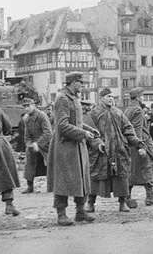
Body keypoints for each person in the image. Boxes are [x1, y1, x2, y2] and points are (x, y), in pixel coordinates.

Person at [46, 72, 101, 226]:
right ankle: (61, 214)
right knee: (63, 180)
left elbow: (76, 122)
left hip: (77, 145)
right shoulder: (62, 99)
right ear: (72, 83)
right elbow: (62, 126)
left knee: (81, 179)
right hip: (64, 147)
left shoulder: (74, 98)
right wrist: (83, 133)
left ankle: (80, 211)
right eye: (80, 83)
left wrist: (89, 129)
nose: (83, 85)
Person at [85, 88, 145, 213]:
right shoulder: (94, 113)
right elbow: (90, 133)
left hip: (119, 151)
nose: (111, 99)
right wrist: (98, 144)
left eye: (112, 96)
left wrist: (138, 143)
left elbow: (128, 130)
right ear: (101, 98)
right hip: (100, 153)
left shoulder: (119, 113)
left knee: (121, 176)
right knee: (96, 176)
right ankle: (90, 203)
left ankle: (122, 202)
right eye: (108, 96)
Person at [123, 87, 153, 208]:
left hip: (131, 143)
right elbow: (137, 128)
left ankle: (127, 197)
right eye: (142, 96)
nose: (143, 98)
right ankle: (150, 198)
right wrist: (140, 145)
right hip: (142, 142)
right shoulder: (138, 110)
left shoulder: (128, 109)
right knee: (148, 167)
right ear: (137, 97)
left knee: (132, 170)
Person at [21, 97, 52, 194]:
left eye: (28, 106)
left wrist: (38, 144)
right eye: (25, 106)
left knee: (51, 165)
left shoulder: (42, 116)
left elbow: (48, 133)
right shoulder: (27, 119)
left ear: (33, 105)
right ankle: (30, 186)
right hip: (33, 145)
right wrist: (29, 145)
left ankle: (52, 186)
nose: (27, 108)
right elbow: (27, 136)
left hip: (46, 145)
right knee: (29, 164)